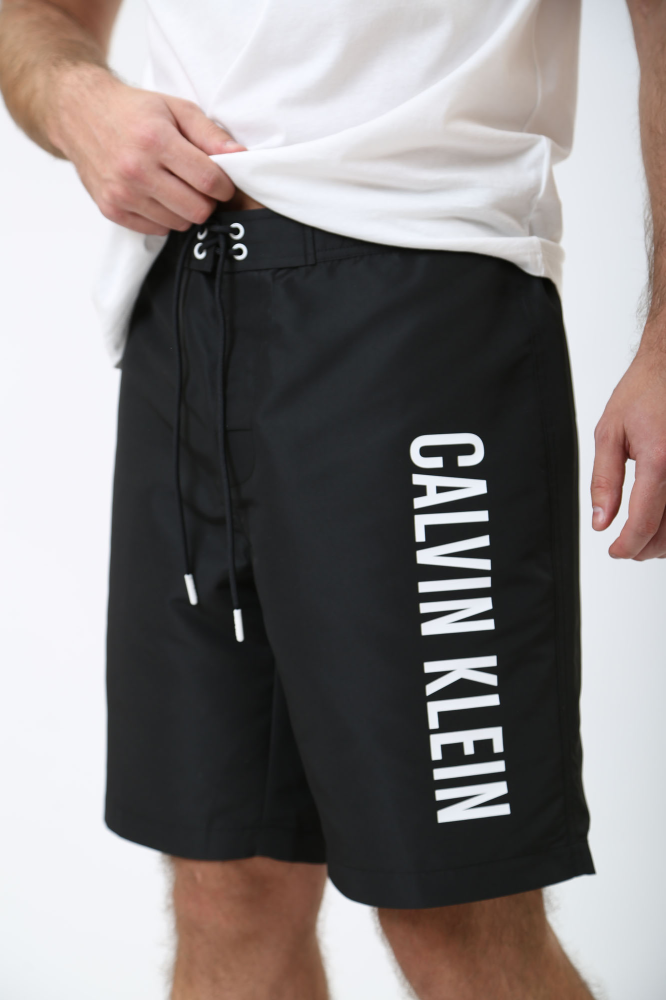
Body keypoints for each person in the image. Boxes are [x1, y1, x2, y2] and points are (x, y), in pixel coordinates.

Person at [0, 1, 664, 997]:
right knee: (227, 884)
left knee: (453, 911)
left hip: (418, 312)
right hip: (183, 294)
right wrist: (74, 94)